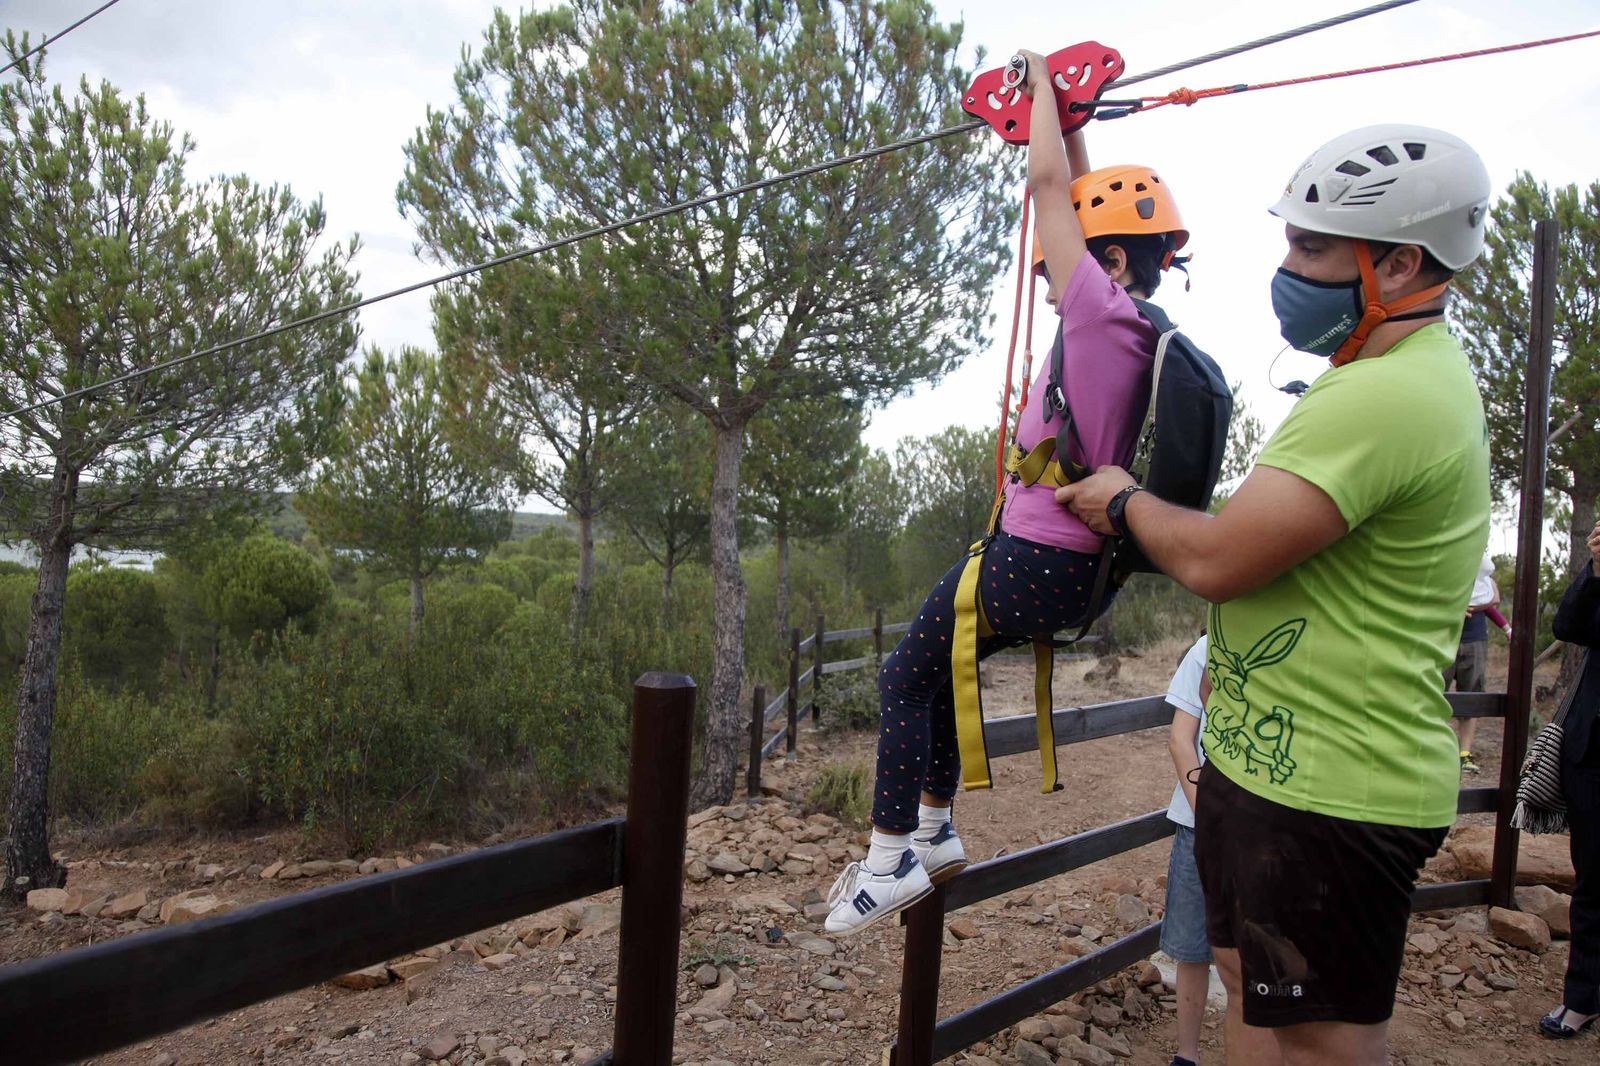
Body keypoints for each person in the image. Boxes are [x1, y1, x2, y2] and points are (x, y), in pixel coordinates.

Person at [1058, 124, 1492, 1065]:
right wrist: (1069, 141)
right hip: (1273, 776)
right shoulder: (1383, 379)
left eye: (1313, 246)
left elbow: (1215, 561)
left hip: (1332, 792)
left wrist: (1124, 502)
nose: (1287, 266)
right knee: (1255, 1009)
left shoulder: (1384, 399)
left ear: (1401, 260)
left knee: (1325, 1042)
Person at [824, 49, 1195, 934]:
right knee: (943, 671)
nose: (1048, 278)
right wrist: (1071, 118)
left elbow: (1045, 188)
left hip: (1033, 555)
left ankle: (889, 860)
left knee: (901, 677)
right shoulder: (1135, 325)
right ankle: (938, 828)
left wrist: (1035, 95)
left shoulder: (1100, 312)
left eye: (1062, 264)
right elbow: (1069, 183)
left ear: (1105, 257)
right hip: (1067, 566)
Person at [1540, 522, 1600, 1038]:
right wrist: (1596, 573)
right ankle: (1583, 997)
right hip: (1593, 751)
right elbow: (1569, 626)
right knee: (1593, 882)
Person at [1162, 633, 1214, 1066]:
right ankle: (1187, 1055)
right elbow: (1181, 739)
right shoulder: (1206, 649)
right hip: (1202, 824)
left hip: (1265, 826)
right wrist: (1211, 818)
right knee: (1192, 944)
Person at [1448, 555, 1501, 774]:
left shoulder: (1482, 567)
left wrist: (1474, 606)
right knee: (1433, 693)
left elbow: (1495, 596)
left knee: (1471, 694)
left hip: (1474, 637)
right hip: (1444, 635)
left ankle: (1464, 754)